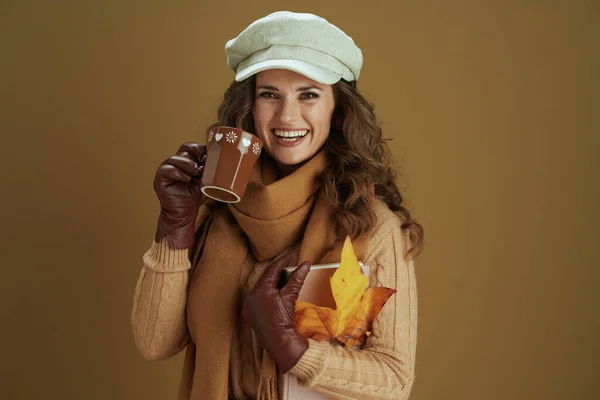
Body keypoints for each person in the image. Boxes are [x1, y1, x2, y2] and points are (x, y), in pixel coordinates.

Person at [131, 11, 424, 400]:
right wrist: (173, 229)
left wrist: (291, 348)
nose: (287, 116)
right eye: (270, 94)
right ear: (249, 106)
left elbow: (395, 379)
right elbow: (155, 343)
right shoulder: (214, 208)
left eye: (309, 94)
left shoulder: (371, 227)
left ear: (338, 109)